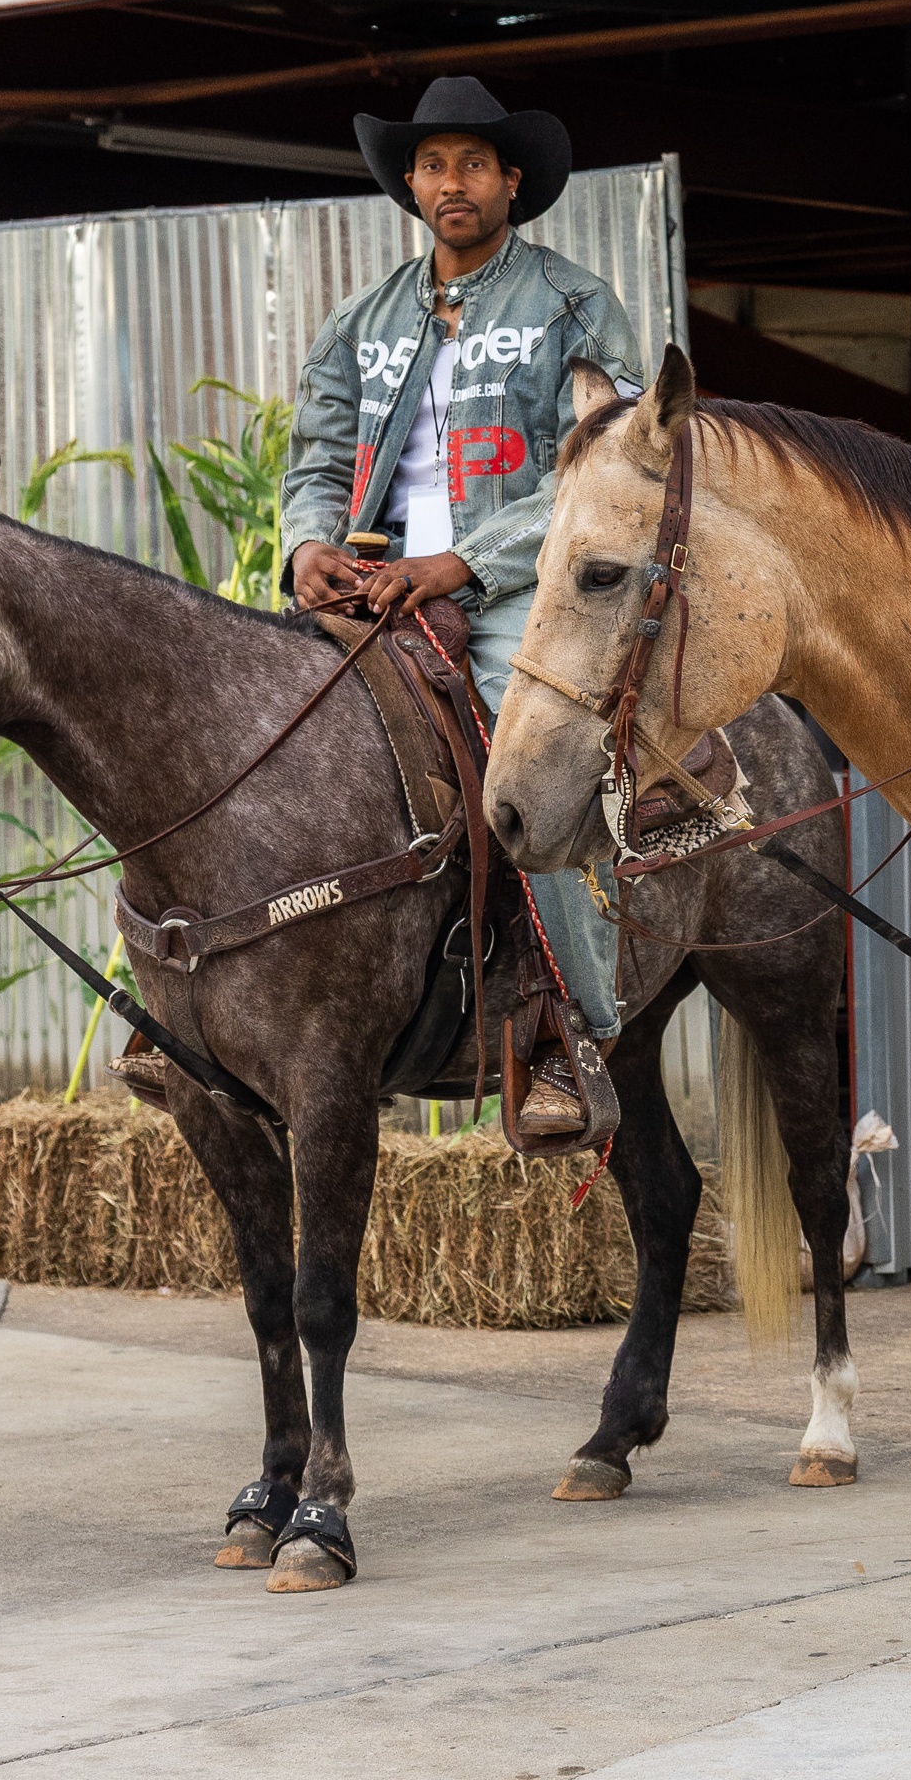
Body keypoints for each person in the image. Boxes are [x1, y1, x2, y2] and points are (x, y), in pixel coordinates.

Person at [282, 76, 644, 1132]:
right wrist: (307, 544)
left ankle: (577, 1032)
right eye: (434, 165)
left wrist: (459, 565)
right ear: (409, 182)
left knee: (540, 769)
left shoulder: (573, 305)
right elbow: (315, 460)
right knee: (247, 725)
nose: (453, 183)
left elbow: (606, 475)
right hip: (367, 591)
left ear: (511, 182)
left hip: (518, 598)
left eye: (474, 165)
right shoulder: (361, 322)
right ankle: (204, 1017)